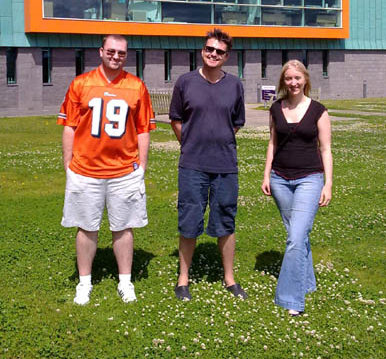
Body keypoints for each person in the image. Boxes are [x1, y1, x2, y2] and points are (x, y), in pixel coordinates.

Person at [57, 34, 156, 305]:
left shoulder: (136, 86)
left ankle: (125, 281)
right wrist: (69, 164)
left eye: (121, 53)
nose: (116, 56)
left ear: (127, 55)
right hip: (86, 169)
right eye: (111, 51)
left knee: (124, 227)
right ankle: (84, 282)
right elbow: (69, 126)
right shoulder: (81, 84)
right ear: (101, 51)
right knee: (86, 226)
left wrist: (141, 167)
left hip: (124, 170)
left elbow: (144, 130)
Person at [169, 28, 248, 301]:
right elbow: (176, 119)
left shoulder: (235, 85)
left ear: (227, 57)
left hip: (226, 165)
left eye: (219, 51)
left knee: (226, 219)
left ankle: (229, 279)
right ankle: (183, 279)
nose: (213, 54)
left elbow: (237, 123)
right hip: (192, 165)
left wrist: (218, 141)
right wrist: (191, 143)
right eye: (209, 49)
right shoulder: (185, 82)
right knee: (189, 220)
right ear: (203, 51)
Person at [261, 59, 332, 317]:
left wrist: (329, 183)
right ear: (283, 81)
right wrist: (266, 174)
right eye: (288, 78)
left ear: (305, 80)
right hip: (280, 179)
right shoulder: (276, 109)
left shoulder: (319, 111)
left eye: (297, 78)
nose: (293, 83)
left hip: (309, 179)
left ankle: (291, 299)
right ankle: (308, 282)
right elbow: (272, 144)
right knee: (297, 234)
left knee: (294, 238)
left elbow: (326, 149)